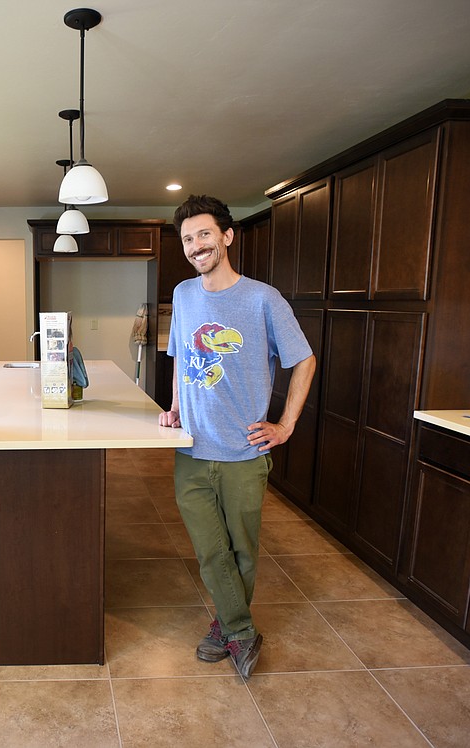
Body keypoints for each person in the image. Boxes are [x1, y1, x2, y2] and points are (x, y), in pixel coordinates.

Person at [158, 194, 316, 681]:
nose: (195, 245)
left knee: (241, 549)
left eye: (204, 234)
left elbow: (303, 359)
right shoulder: (184, 295)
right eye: (187, 239)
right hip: (192, 448)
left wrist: (285, 425)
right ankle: (241, 630)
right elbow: (182, 358)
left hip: (245, 451)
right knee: (210, 548)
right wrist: (177, 408)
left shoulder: (263, 298)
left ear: (226, 237)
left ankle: (226, 626)